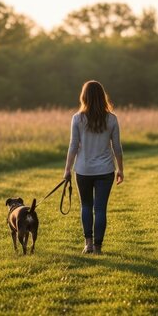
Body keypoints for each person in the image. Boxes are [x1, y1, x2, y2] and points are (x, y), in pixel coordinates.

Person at [64, 80, 124, 255]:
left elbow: (73, 146)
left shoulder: (77, 118)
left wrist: (67, 169)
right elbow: (117, 147)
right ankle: (98, 248)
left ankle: (88, 244)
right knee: (100, 209)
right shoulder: (112, 119)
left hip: (83, 170)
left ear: (84, 96)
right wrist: (120, 169)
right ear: (102, 96)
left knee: (86, 206)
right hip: (105, 170)